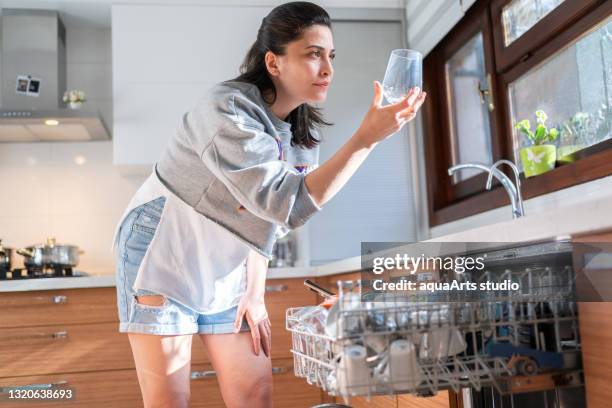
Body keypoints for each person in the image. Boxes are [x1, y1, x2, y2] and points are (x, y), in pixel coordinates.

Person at [112, 2, 426, 407]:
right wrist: (366, 138)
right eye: (313, 54)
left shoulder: (298, 131)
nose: (327, 68)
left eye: (330, 56)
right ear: (273, 62)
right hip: (162, 247)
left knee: (254, 393)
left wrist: (254, 292)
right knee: (170, 400)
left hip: (228, 260)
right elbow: (286, 204)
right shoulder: (227, 111)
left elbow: (269, 219)